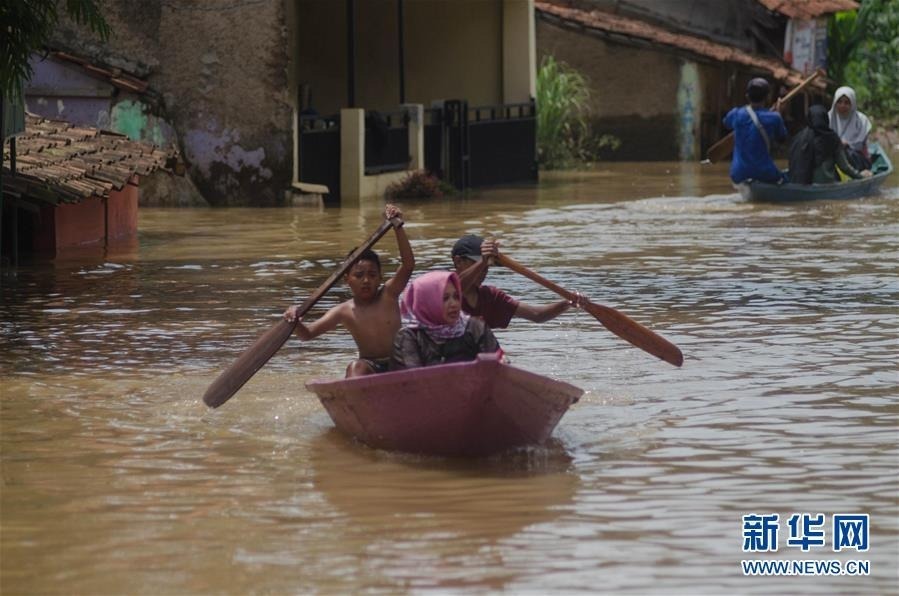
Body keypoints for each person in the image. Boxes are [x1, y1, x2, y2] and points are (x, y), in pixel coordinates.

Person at [283, 203, 414, 377]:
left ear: (380, 278)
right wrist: (294, 320)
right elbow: (307, 334)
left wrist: (398, 226)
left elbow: (408, 264)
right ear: (347, 279)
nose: (366, 280)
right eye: (359, 275)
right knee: (355, 368)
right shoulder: (343, 311)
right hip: (370, 365)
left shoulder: (389, 294)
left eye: (372, 275)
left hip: (398, 362)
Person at [451, 234, 578, 330]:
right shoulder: (440, 287)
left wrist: (567, 303)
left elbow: (537, 315)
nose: (483, 270)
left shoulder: (491, 296)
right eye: (476, 262)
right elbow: (457, 288)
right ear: (458, 261)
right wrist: (483, 261)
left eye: (487, 265)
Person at [391, 270, 500, 370]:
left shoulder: (475, 328)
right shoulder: (410, 337)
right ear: (427, 303)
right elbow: (413, 380)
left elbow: (500, 367)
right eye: (445, 298)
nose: (454, 304)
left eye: (456, 297)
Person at [723, 78, 788, 184]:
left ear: (747, 96)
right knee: (785, 180)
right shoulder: (774, 118)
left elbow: (726, 124)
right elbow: (782, 138)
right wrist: (779, 115)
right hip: (764, 173)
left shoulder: (735, 114)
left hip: (738, 174)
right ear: (767, 98)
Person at [788, 104, 872, 184]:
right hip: (825, 183)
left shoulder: (799, 137)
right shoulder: (832, 138)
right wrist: (861, 177)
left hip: (800, 182)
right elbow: (844, 167)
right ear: (825, 119)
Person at [828, 86, 873, 171]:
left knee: (846, 153)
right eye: (839, 102)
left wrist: (847, 145)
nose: (842, 106)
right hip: (833, 157)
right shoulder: (828, 118)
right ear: (834, 103)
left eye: (847, 103)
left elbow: (861, 146)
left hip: (856, 159)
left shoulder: (861, 120)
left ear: (852, 104)